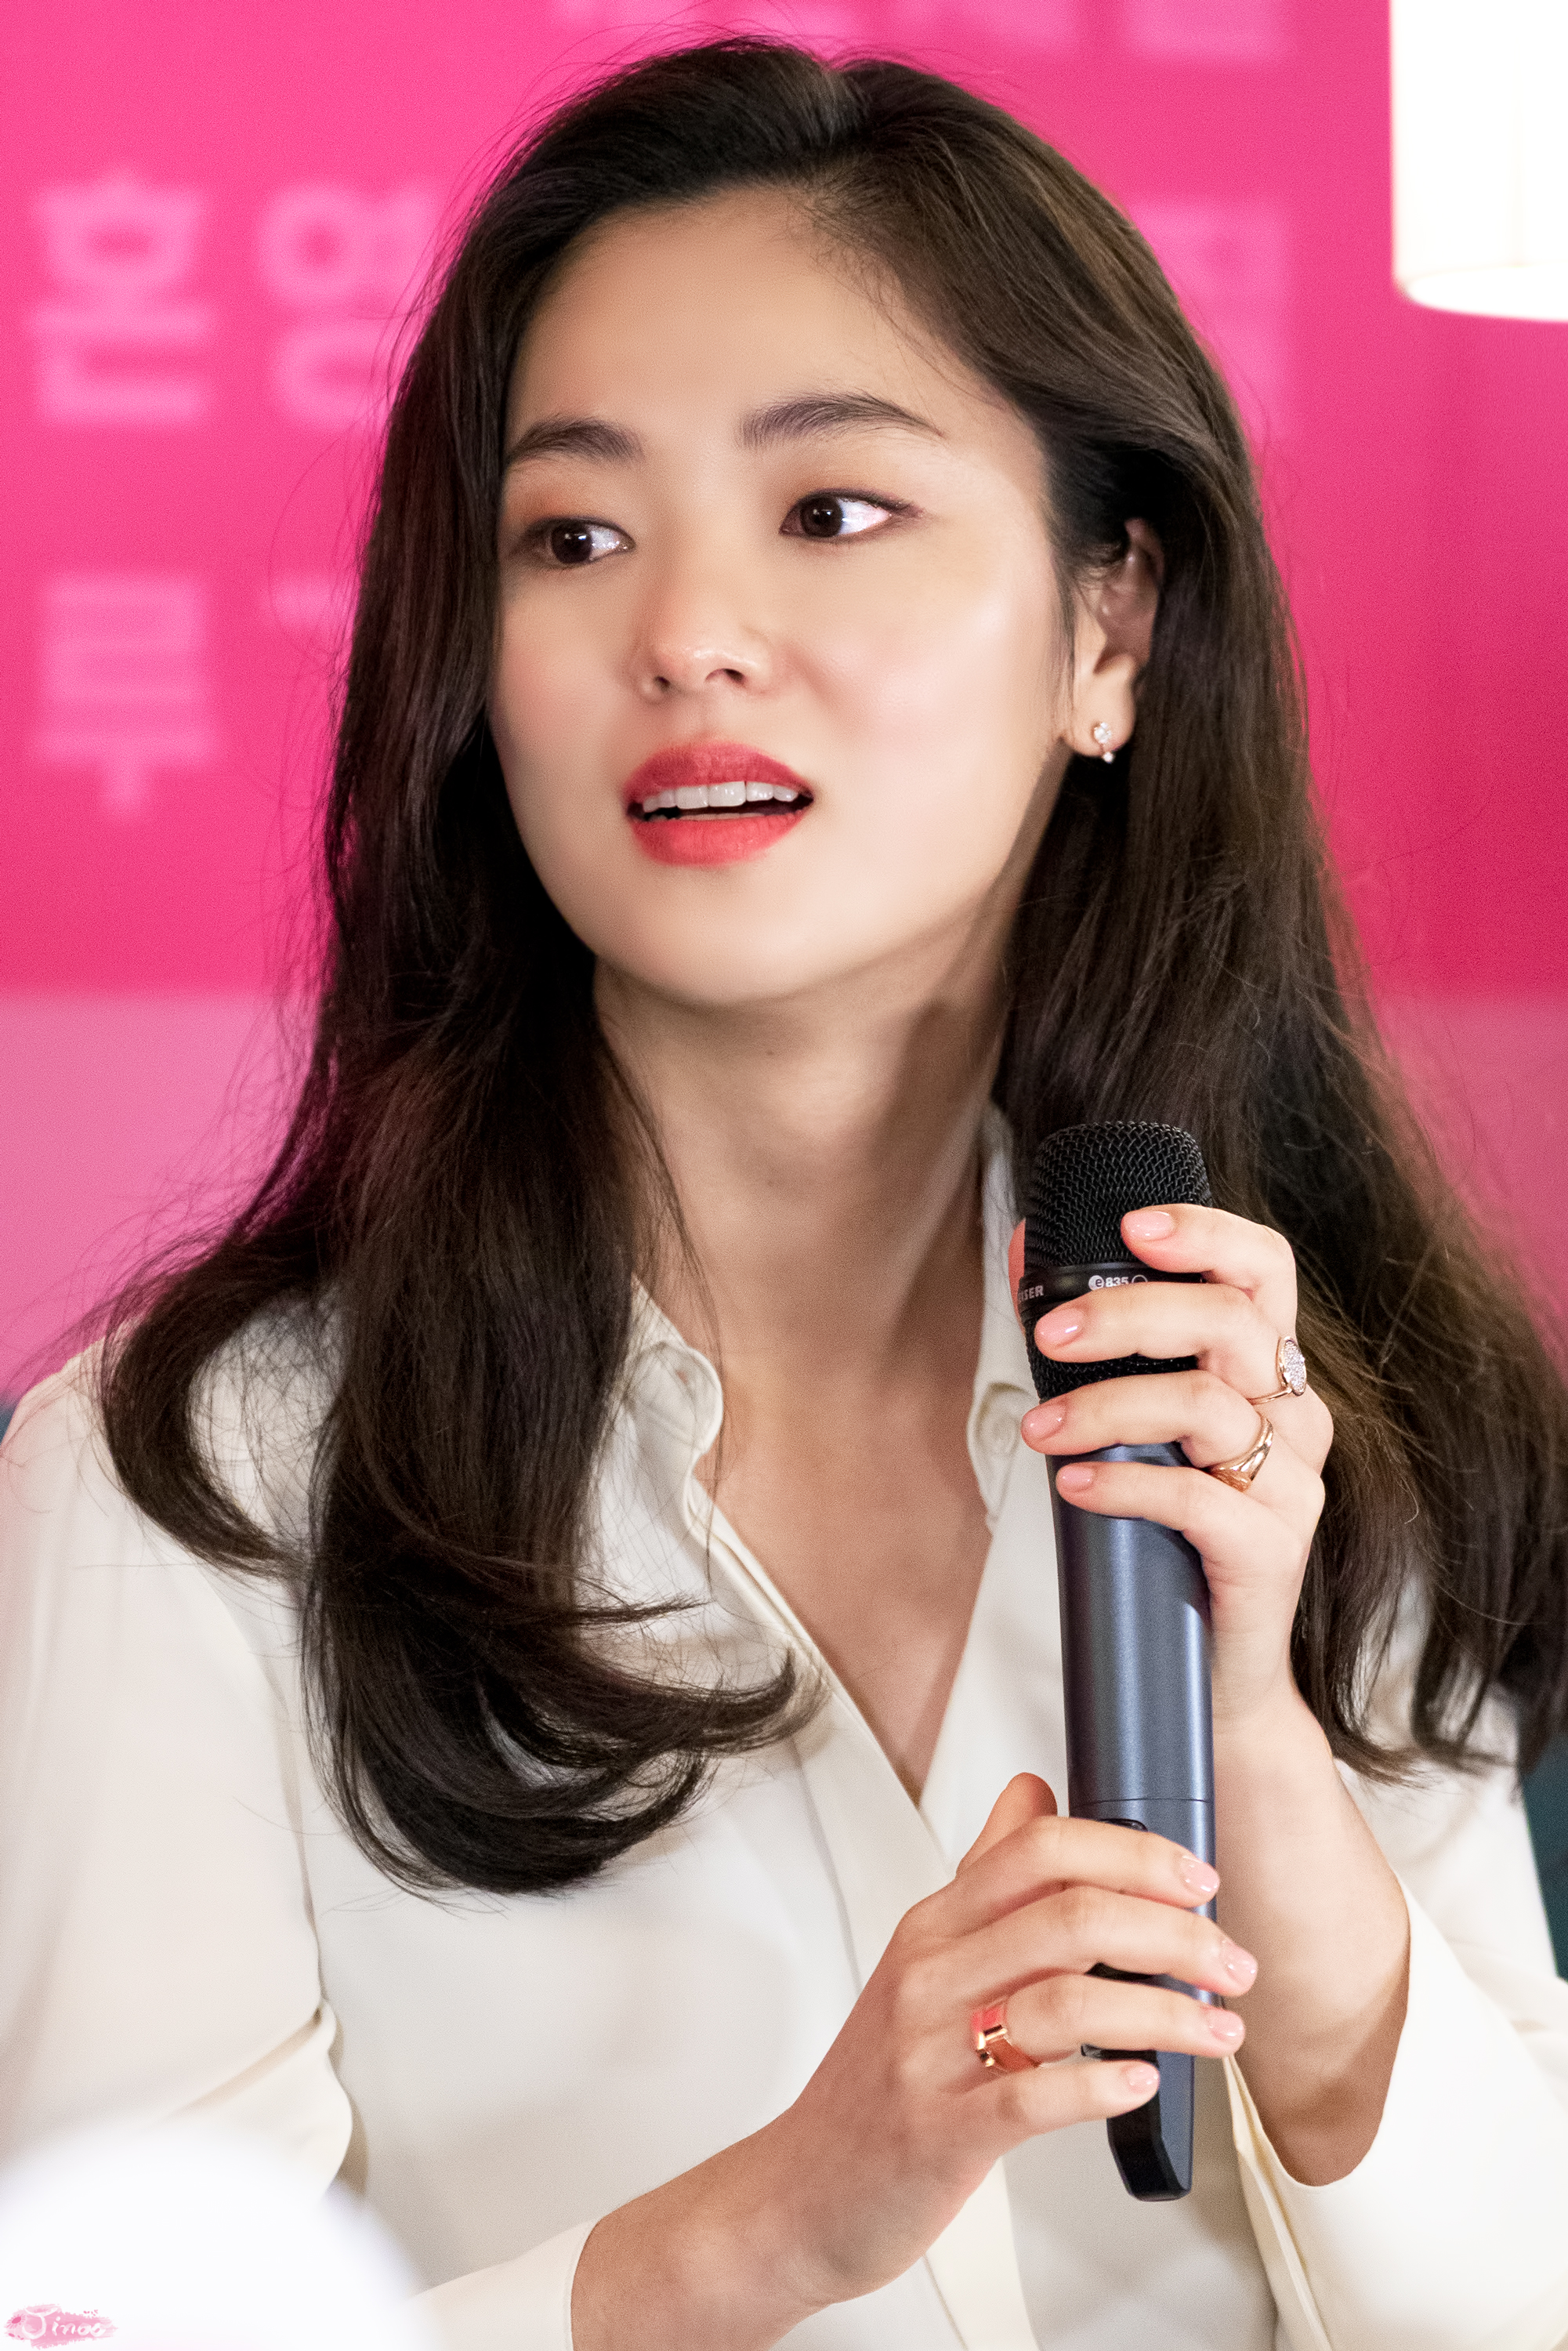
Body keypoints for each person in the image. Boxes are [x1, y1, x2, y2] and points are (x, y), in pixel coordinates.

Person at [2, 38, 1566, 2351]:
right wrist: (776, 2228)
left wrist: (1275, 1785)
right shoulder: (206, 1491)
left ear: (1109, 631)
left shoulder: (1278, 1414)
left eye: (830, 510)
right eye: (574, 537)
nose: (687, 634)